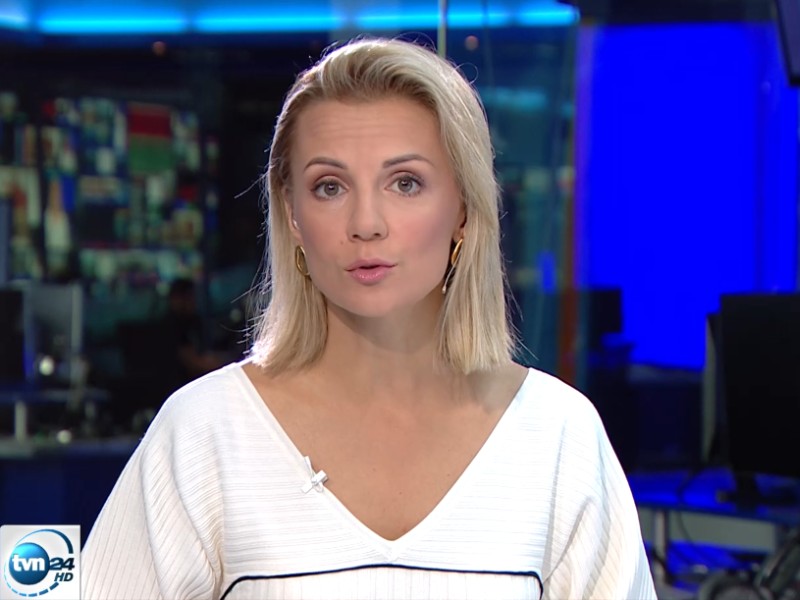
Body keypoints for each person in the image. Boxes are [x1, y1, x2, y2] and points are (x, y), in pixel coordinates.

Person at [81, 37, 657, 599]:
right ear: (292, 215)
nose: (365, 223)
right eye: (329, 187)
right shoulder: (204, 433)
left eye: (405, 183)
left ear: (463, 206)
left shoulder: (558, 437)